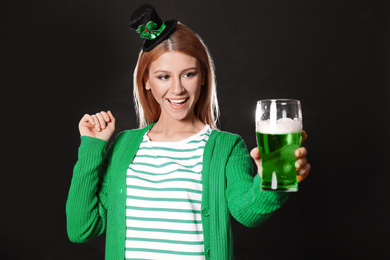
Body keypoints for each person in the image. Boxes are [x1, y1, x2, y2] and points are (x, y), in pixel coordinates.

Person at [66, 4, 311, 260]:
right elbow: (81, 229)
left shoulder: (226, 148)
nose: (177, 89)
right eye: (163, 77)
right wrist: (92, 148)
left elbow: (248, 212)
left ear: (203, 76)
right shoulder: (124, 145)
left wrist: (271, 183)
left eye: (188, 74)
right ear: (146, 81)